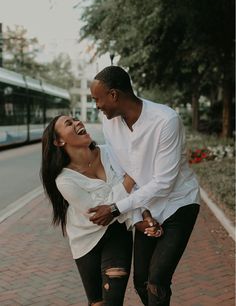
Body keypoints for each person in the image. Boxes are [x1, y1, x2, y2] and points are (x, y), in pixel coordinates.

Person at [89, 66, 201, 306]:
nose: (96, 105)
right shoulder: (109, 123)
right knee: (142, 281)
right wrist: (142, 213)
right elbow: (127, 173)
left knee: (157, 280)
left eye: (97, 99)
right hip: (146, 208)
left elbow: (164, 182)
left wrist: (116, 208)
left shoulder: (165, 120)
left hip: (178, 203)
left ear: (114, 95)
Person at [40, 114, 160, 306]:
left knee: (113, 301)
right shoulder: (64, 180)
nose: (77, 122)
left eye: (76, 119)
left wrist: (141, 214)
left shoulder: (110, 154)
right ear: (59, 141)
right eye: (69, 123)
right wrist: (131, 178)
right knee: (97, 303)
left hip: (117, 232)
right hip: (85, 241)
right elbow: (98, 215)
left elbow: (120, 205)